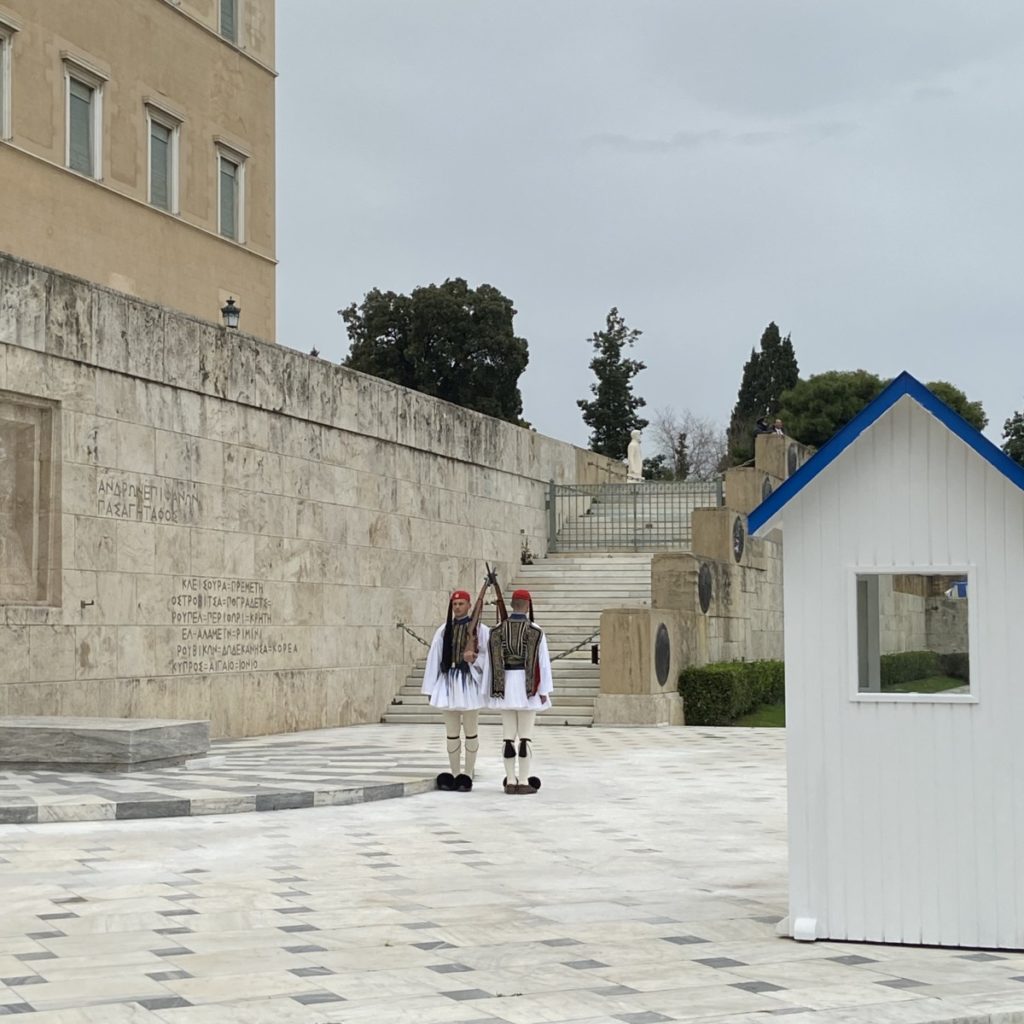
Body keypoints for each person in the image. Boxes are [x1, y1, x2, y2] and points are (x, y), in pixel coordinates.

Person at [421, 589, 490, 792]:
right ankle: (453, 772)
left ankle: (467, 775)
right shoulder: (444, 630)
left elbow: (489, 658)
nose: (457, 607)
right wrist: (430, 688)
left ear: (469, 605)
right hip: (448, 682)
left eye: (461, 604)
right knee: (451, 733)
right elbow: (434, 659)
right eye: (455, 604)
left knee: (470, 731)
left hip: (469, 683)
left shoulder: (480, 630)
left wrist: (475, 659)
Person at [487, 589, 553, 794]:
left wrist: (491, 689)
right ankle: (523, 781)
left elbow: (491, 663)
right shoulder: (535, 630)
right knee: (525, 737)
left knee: (508, 737)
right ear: (528, 605)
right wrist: (544, 690)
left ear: (512, 604)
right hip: (527, 687)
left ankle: (510, 779)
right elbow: (542, 663)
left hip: (504, 686)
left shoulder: (497, 630)